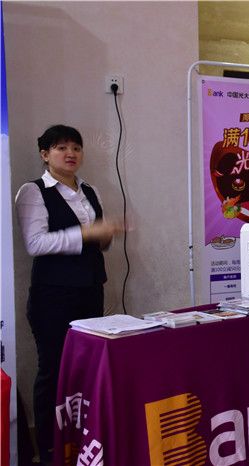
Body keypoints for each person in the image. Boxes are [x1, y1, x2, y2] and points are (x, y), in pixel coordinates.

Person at [15, 125, 122, 464]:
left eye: (76, 147)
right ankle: (48, 447)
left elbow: (98, 241)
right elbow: (36, 243)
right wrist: (88, 232)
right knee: (54, 369)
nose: (70, 153)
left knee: (87, 367)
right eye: (61, 147)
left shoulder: (90, 189)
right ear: (45, 154)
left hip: (90, 289)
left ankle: (83, 440)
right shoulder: (33, 191)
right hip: (52, 296)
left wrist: (106, 234)